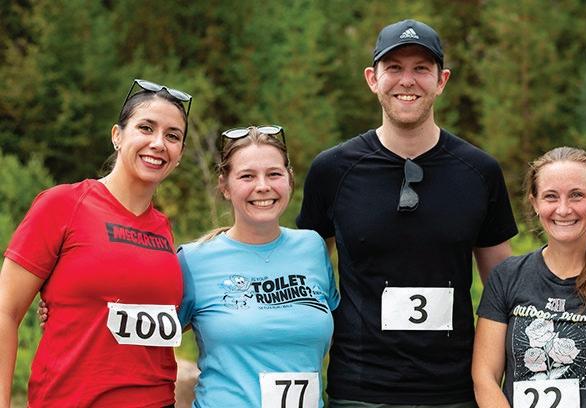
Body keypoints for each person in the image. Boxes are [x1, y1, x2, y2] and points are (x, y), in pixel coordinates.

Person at [296, 19, 518, 406]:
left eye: (421, 68)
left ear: (442, 80)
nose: (407, 81)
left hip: (454, 391)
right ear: (372, 79)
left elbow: (503, 290)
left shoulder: (479, 172)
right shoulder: (332, 170)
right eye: (394, 68)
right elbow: (306, 281)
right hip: (360, 391)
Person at [0, 79, 191, 407]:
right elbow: (6, 311)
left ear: (180, 155)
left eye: (172, 136)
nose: (159, 143)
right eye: (146, 128)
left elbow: (150, 316)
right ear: (117, 135)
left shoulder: (163, 228)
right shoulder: (62, 204)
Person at [472, 146, 586, 408]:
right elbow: (484, 377)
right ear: (535, 203)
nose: (564, 209)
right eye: (551, 197)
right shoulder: (506, 276)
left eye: (577, 195)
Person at [177, 126, 339, 407]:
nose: (262, 186)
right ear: (225, 186)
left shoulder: (312, 247)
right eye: (247, 176)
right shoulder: (193, 260)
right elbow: (149, 345)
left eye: (274, 174)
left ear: (289, 179)